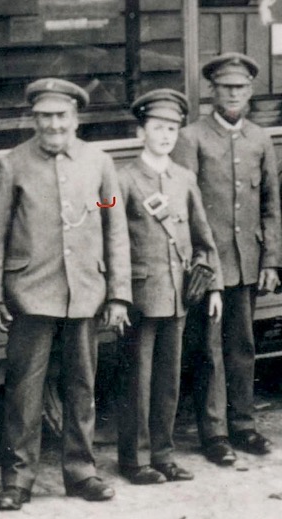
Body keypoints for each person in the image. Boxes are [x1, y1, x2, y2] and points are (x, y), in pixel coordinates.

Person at [0, 78, 132, 510]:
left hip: (85, 291)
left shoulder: (98, 164)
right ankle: (17, 480)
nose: (52, 124)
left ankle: (81, 471)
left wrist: (118, 293)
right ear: (34, 118)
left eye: (60, 116)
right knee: (24, 392)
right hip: (30, 294)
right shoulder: (12, 166)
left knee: (82, 387)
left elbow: (112, 225)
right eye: (44, 116)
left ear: (75, 117)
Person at [172, 52, 282, 465]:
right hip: (209, 264)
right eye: (225, 88)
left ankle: (244, 425)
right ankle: (214, 433)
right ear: (212, 92)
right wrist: (197, 263)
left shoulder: (259, 138)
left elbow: (271, 204)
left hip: (248, 261)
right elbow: (182, 206)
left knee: (243, 346)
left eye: (240, 88)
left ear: (251, 92)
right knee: (208, 349)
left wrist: (270, 260)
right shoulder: (191, 138)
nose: (233, 94)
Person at [117, 89, 224, 485]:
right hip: (140, 297)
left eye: (172, 129)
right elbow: (105, 221)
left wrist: (213, 285)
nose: (165, 136)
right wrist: (118, 292)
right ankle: (135, 459)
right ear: (141, 130)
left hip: (178, 294)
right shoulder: (123, 179)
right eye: (157, 127)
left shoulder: (184, 178)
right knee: (138, 380)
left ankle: (163, 455)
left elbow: (202, 235)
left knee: (168, 379)